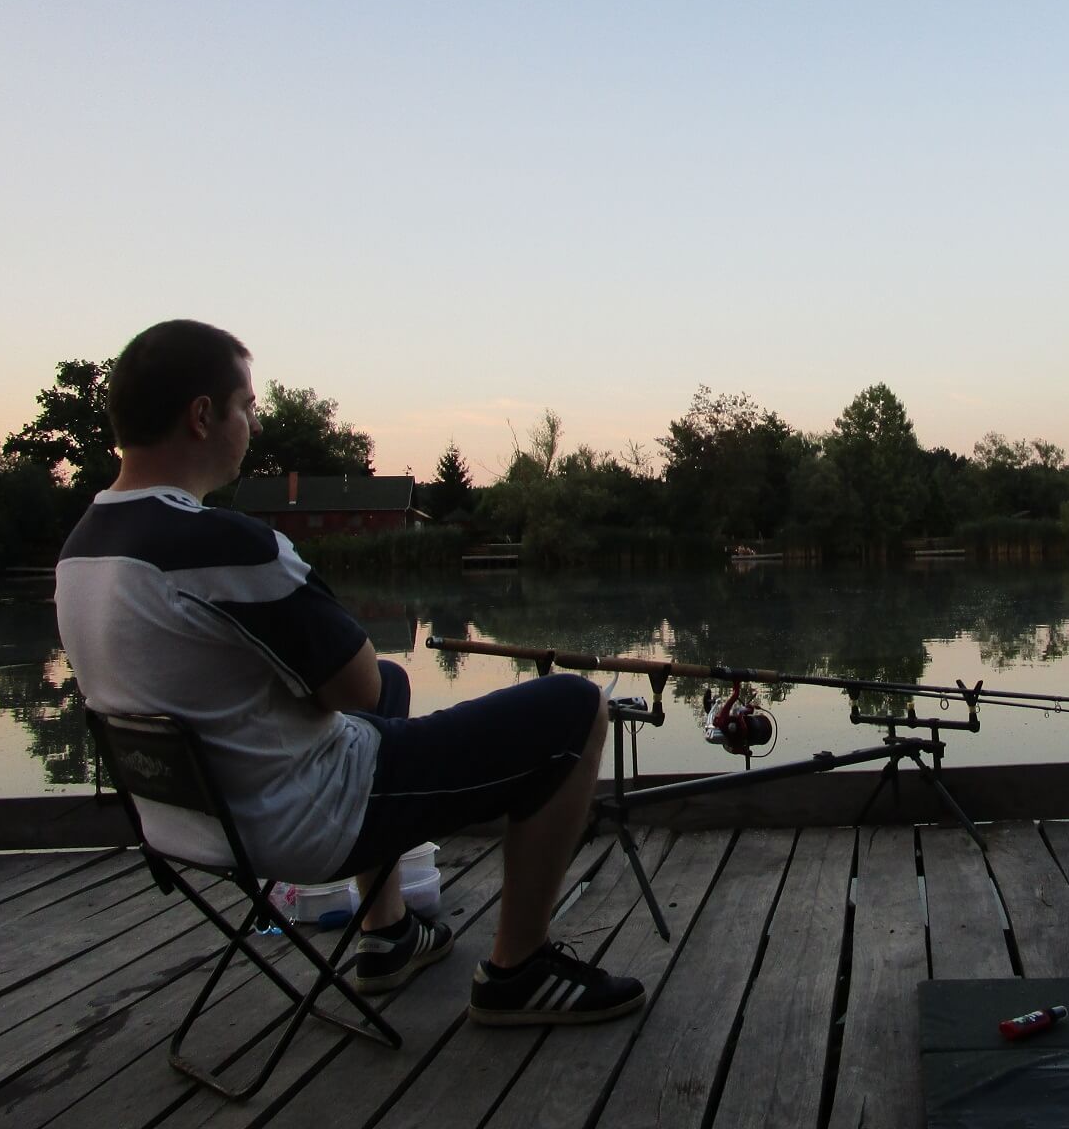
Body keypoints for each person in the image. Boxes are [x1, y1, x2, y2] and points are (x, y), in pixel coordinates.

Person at [55, 319, 643, 1025]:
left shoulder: (83, 546)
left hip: (187, 823)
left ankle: (387, 932)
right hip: (303, 820)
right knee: (573, 708)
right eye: (246, 406)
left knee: (397, 684)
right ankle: (517, 971)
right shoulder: (220, 545)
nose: (252, 423)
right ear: (203, 416)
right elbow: (354, 686)